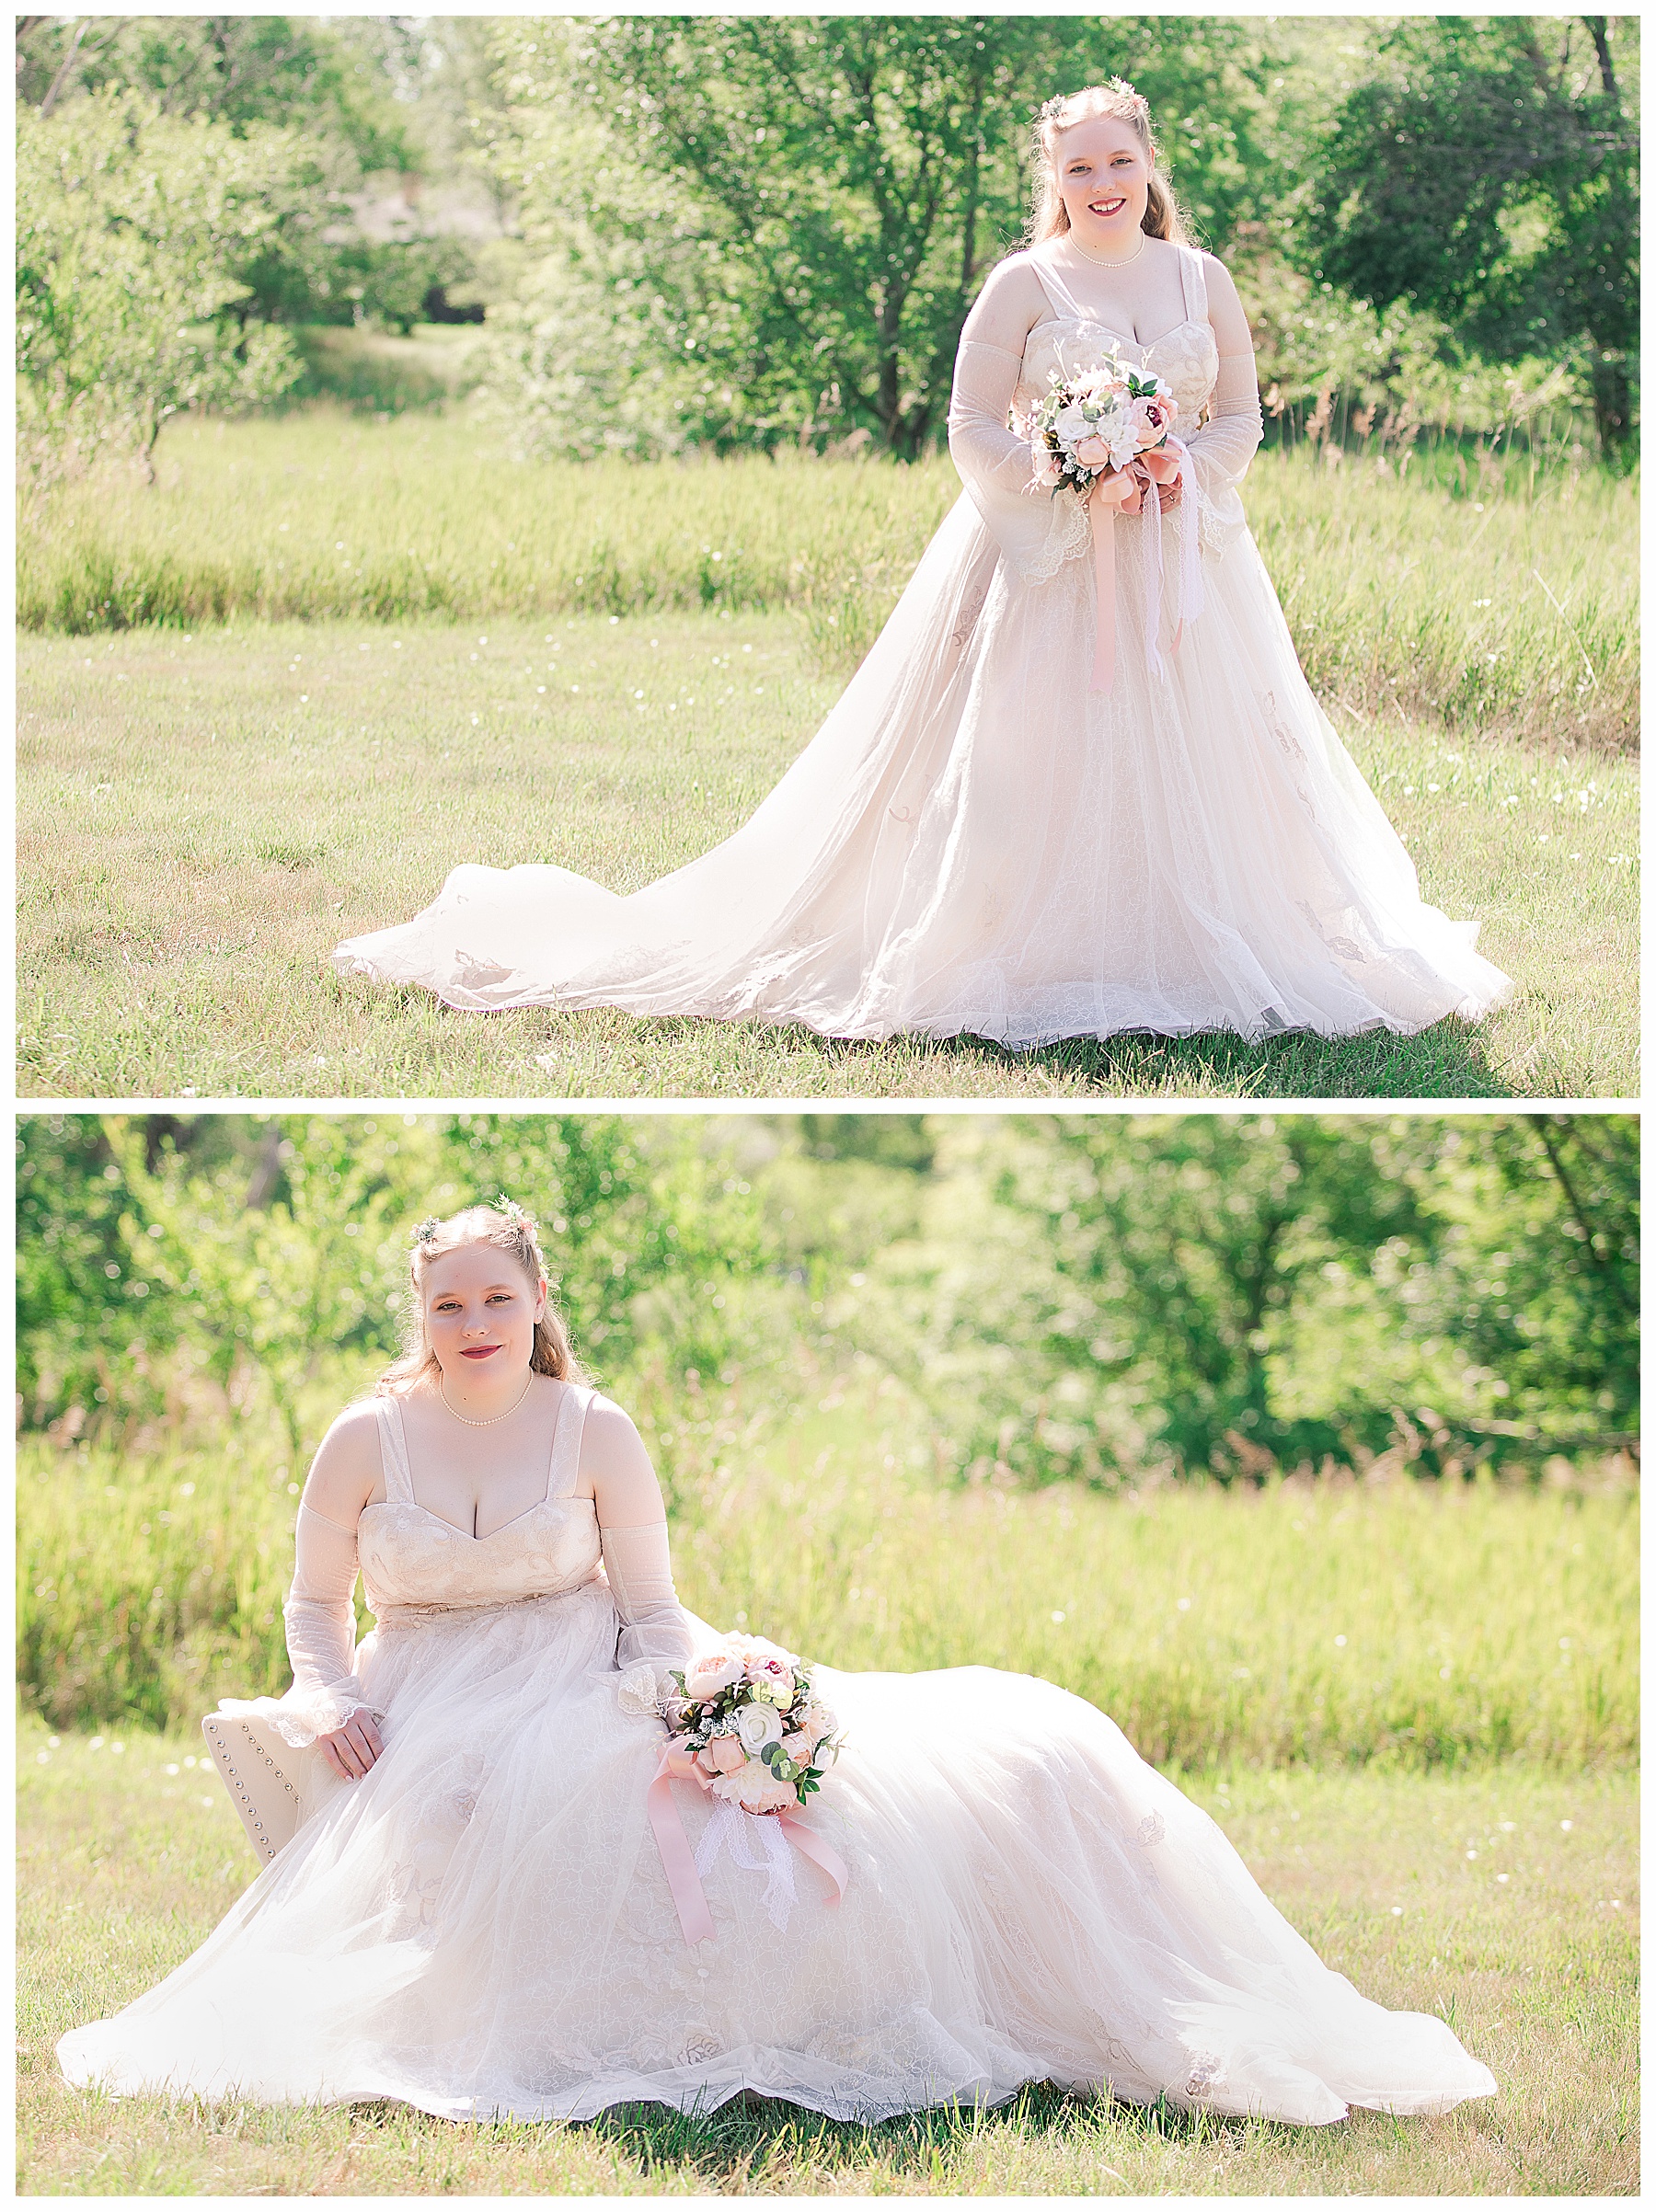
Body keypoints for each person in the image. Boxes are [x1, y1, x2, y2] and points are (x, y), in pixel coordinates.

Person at [60, 1199, 1498, 2126]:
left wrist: (686, 1702)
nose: (475, 1326)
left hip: (580, 1662)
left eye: (497, 1300)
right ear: (417, 1316)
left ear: (538, 1301)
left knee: (668, 1802)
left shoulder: (596, 1428)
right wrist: (327, 1690)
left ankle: (763, 2010)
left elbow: (653, 1605)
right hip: (424, 1681)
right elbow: (314, 1601)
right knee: (459, 1816)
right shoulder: (367, 1436)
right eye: (448, 1306)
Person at [332, 80, 1510, 1049]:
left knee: (1211, 756)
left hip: (1182, 562)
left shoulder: (1203, 280)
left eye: (1118, 162)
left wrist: (1172, 470)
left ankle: (1177, 933)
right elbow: (969, 426)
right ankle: (1012, 935)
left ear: (1151, 164)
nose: (1100, 185)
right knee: (1031, 752)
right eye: (1078, 169)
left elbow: (1244, 419)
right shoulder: (1023, 284)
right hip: (1043, 562)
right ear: (1053, 180)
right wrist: (1062, 470)